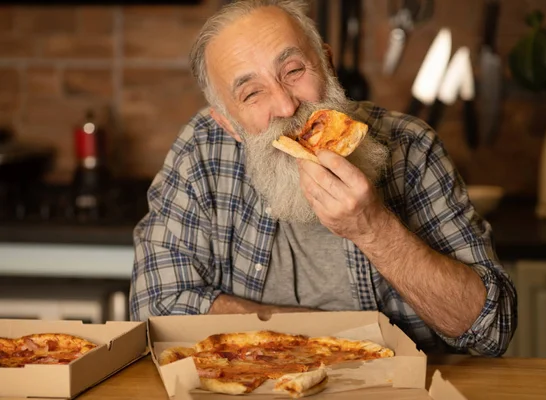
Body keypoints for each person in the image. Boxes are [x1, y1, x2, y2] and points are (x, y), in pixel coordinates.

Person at [129, 0, 517, 356]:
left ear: (328, 66)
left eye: (294, 70)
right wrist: (331, 340)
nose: (286, 105)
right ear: (228, 124)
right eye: (251, 94)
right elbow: (153, 306)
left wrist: (372, 228)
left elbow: (491, 331)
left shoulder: (411, 147)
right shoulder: (201, 150)